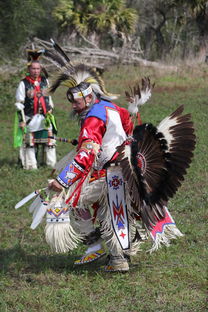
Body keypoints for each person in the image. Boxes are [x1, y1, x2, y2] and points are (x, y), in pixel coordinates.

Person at [19, 41, 195, 273]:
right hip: (123, 170)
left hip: (110, 173)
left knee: (72, 201)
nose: (75, 108)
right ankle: (119, 256)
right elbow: (127, 129)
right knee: (112, 211)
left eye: (78, 103)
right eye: (73, 104)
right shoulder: (111, 108)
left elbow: (86, 154)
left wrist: (61, 181)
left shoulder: (93, 117)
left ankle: (96, 244)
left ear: (88, 98)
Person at [14, 52, 57, 170]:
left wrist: (50, 110)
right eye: (33, 68)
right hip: (29, 118)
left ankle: (50, 164)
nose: (36, 71)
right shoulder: (23, 83)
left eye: (38, 68)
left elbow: (49, 98)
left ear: (41, 69)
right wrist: (21, 121)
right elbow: (19, 104)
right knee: (30, 142)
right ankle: (31, 166)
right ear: (29, 69)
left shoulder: (45, 81)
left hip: (45, 117)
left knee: (50, 141)